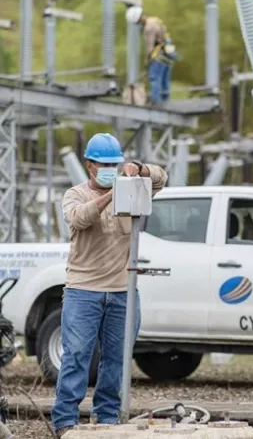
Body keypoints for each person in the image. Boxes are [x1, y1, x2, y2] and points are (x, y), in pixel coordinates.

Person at [51, 133, 168, 437]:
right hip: (83, 290)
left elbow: (161, 178)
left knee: (116, 359)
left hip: (122, 291)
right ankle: (65, 420)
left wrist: (138, 169)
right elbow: (79, 219)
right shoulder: (75, 194)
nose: (109, 168)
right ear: (89, 165)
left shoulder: (132, 190)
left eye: (114, 164)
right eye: (103, 164)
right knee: (76, 355)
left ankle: (106, 418)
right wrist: (111, 195)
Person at [125, 6, 177, 107]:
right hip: (169, 53)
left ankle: (155, 102)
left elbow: (150, 47)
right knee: (165, 79)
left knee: (154, 78)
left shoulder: (148, 28)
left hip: (159, 56)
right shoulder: (155, 20)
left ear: (138, 20)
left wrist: (147, 61)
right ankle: (166, 101)